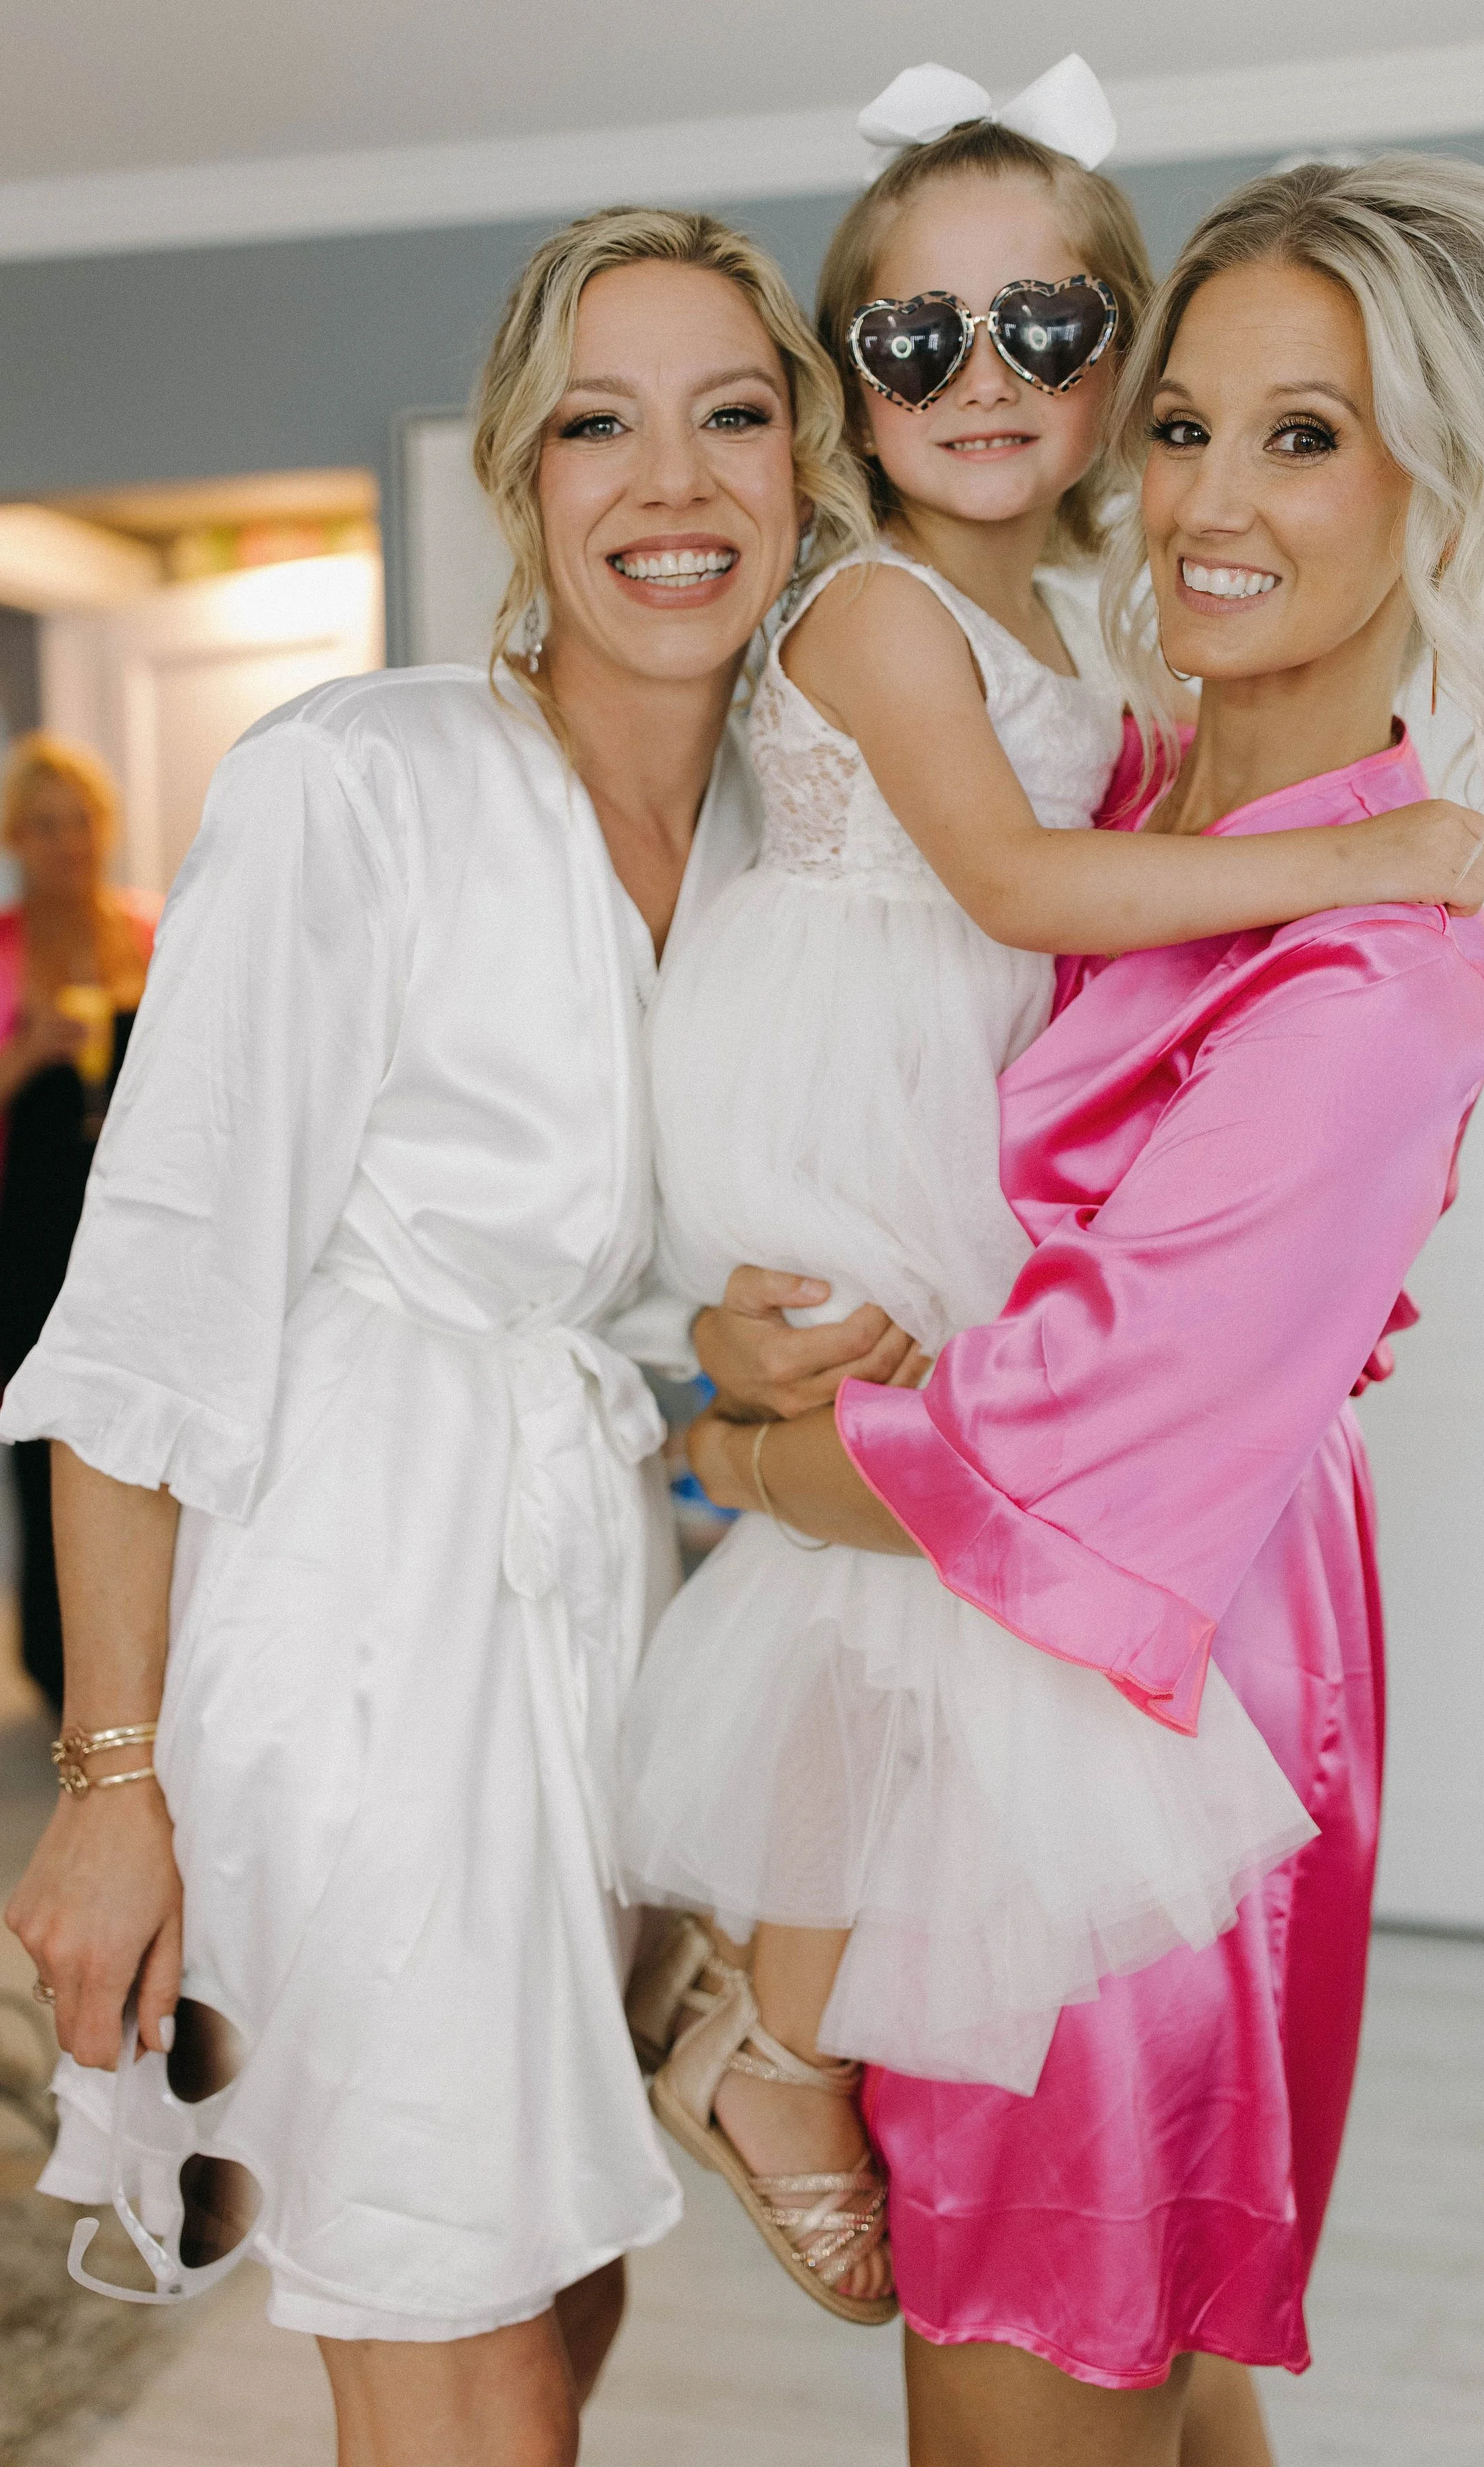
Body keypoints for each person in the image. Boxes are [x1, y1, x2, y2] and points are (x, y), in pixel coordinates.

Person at [684, 153, 1484, 2462]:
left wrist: (732, 1457)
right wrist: (768, 1332)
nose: (1207, 492)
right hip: (1033, 1687)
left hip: (1123, 1724)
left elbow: (1047, 1444)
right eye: (1186, 421)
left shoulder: (1374, 975)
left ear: (1443, 494)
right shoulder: (1133, 794)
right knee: (1146, 2390)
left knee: (1049, 2360)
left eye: (1309, 433)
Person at [0, 206, 887, 2467]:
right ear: (521, 473)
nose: (669, 483)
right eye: (601, 423)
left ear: (805, 466)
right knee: (450, 2310)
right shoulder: (356, 782)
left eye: (731, 415)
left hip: (595, 1615)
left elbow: (622, 1276)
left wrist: (745, 1351)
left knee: (555, 2289)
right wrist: (113, 1781)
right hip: (353, 1622)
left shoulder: (803, 844)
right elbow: (153, 1306)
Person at [0, 734, 157, 1709]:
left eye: (82, 821)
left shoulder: (150, 932)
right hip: (28, 1228)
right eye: (45, 825)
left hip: (133, 1227)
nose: (68, 843)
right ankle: (60, 1674)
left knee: (139, 1438)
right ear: (17, 838)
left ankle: (148, 1664)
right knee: (43, 1441)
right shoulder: (6, 950)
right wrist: (27, 1053)